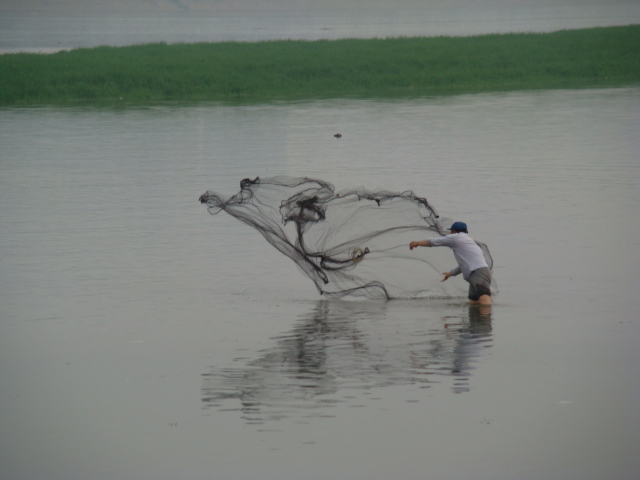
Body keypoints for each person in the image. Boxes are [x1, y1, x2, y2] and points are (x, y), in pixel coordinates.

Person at [409, 222, 492, 305]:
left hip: (478, 272)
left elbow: (433, 241)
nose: (450, 234)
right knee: (474, 303)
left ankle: (487, 317)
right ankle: (480, 317)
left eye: (451, 232)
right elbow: (464, 264)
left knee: (484, 300)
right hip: (477, 272)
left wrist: (417, 243)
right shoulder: (468, 240)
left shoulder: (456, 237)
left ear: (454, 232)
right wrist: (450, 273)